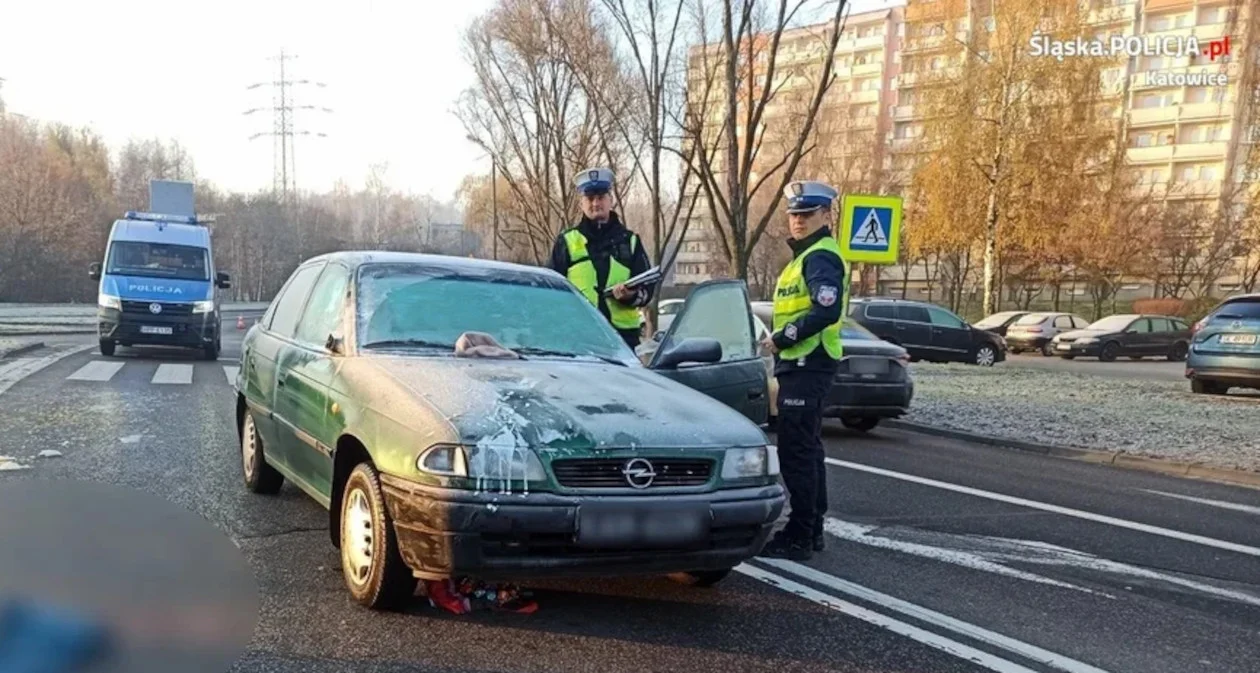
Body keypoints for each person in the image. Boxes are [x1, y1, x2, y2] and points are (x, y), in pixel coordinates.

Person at [757, 180, 848, 561]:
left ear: (826, 216)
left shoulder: (820, 256)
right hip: (803, 364)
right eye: (794, 214)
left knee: (797, 451)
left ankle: (800, 533)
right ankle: (811, 531)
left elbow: (825, 310)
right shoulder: (805, 257)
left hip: (808, 361)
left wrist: (783, 337)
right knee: (808, 450)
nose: (798, 220)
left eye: (807, 214)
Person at [550, 167, 655, 349]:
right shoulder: (567, 241)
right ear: (581, 203)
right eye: (590, 198)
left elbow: (648, 290)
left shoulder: (630, 241)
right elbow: (552, 290)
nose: (595, 203)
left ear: (610, 200)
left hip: (623, 341)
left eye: (601, 197)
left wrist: (630, 296)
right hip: (580, 339)